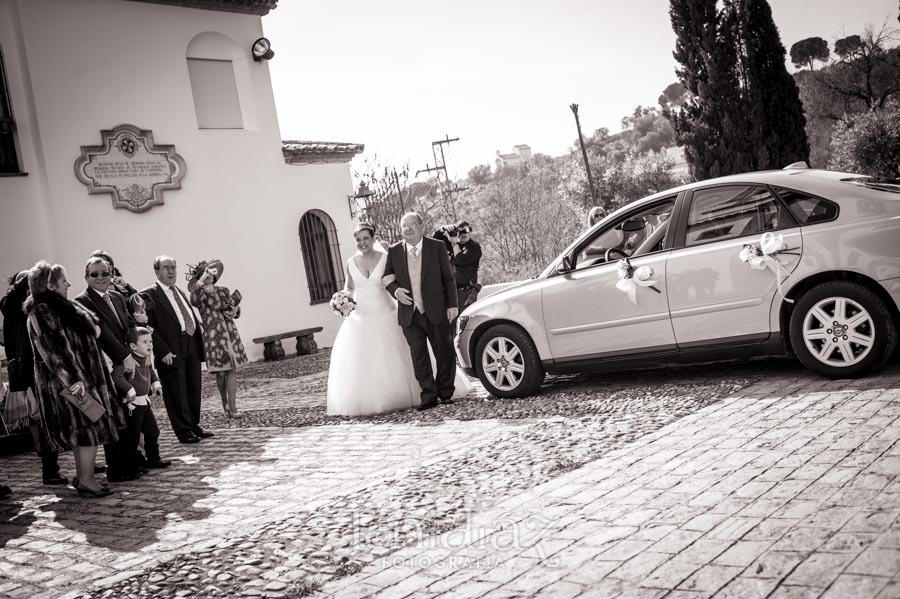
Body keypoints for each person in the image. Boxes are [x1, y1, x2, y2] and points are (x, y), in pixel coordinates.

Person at [24, 260, 120, 497]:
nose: (68, 284)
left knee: (84, 430)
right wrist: (77, 383)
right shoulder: (43, 311)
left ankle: (83, 477)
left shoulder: (63, 307)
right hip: (71, 383)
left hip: (81, 379)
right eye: (63, 280)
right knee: (89, 427)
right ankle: (87, 479)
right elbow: (56, 353)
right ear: (50, 284)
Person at [74, 257, 144, 482]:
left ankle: (131, 462)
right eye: (95, 274)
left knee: (130, 413)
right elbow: (103, 333)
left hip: (127, 362)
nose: (101, 278)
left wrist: (134, 350)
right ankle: (117, 468)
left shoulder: (116, 296)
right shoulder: (82, 301)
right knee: (115, 416)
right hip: (106, 366)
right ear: (86, 277)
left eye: (105, 273)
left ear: (111, 274)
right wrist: (123, 356)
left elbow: (129, 326)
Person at [383, 213, 461, 411]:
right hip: (410, 314)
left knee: (444, 352)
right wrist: (396, 291)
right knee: (419, 357)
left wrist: (452, 305)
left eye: (412, 225)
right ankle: (428, 395)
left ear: (421, 226)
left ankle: (445, 392)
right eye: (404, 226)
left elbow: (448, 278)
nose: (408, 229)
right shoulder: (394, 251)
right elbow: (387, 278)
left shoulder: (437, 246)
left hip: (436, 309)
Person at [1, 271, 67, 486]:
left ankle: (82, 459)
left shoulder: (40, 306)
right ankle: (50, 471)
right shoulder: (14, 309)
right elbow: (9, 300)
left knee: (64, 416)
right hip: (31, 373)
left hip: (52, 369)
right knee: (45, 421)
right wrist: (28, 276)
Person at [140, 256, 212, 443]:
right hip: (170, 348)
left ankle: (194, 424)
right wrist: (161, 350)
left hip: (190, 343)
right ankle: (184, 430)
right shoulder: (149, 294)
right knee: (176, 391)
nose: (171, 271)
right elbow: (147, 326)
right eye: (166, 268)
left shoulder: (178, 290)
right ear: (157, 271)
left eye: (173, 267)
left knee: (193, 387)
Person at [188, 259, 248, 418]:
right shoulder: (199, 294)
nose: (209, 275)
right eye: (205, 273)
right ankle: (224, 402)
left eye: (210, 272)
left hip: (230, 334)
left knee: (232, 370)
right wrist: (200, 283)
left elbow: (231, 308)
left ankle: (233, 406)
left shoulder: (223, 290)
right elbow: (193, 300)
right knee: (220, 374)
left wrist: (234, 310)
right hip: (214, 338)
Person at [111, 327, 171, 470]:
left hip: (145, 402)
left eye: (150, 341)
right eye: (144, 342)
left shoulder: (145, 357)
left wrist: (156, 383)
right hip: (132, 404)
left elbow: (150, 370)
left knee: (153, 431)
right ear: (133, 346)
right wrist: (129, 389)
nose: (150, 344)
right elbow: (116, 376)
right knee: (133, 436)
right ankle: (132, 464)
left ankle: (153, 459)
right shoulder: (126, 361)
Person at [446, 220, 482, 319]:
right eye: (460, 232)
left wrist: (454, 244)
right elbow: (435, 239)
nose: (463, 234)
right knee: (452, 325)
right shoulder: (452, 246)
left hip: (467, 292)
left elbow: (461, 260)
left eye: (466, 230)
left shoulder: (474, 247)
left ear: (470, 231)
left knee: (465, 324)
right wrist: (444, 229)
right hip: (452, 293)